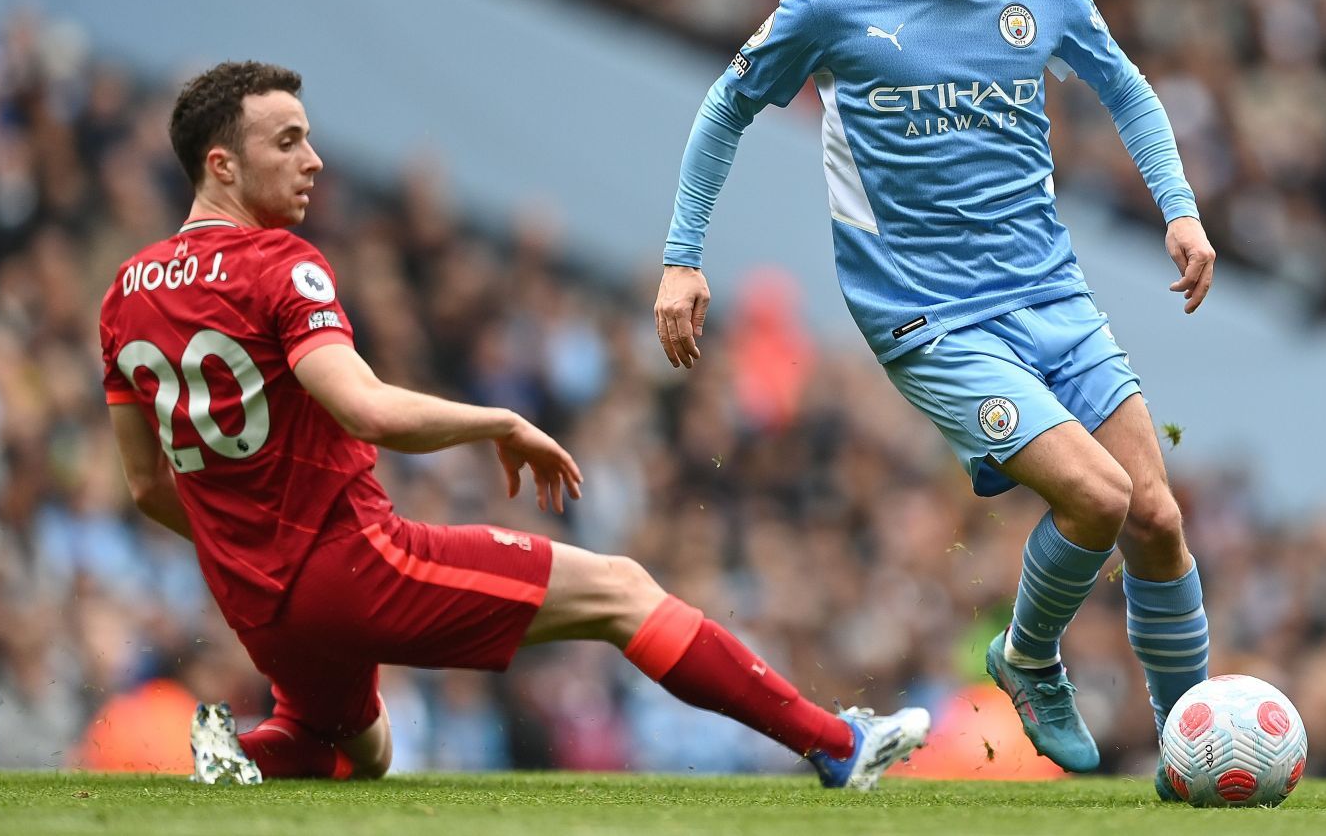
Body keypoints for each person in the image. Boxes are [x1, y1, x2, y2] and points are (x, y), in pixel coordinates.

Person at [99, 61, 928, 788]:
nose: (313, 159)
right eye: (286, 142)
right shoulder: (282, 264)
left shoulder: (123, 295)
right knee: (621, 591)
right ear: (221, 164)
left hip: (258, 604)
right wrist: (496, 419)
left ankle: (249, 751)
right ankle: (838, 743)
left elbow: (146, 488)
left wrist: (250, 553)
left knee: (361, 748)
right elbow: (365, 407)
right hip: (351, 565)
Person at [655, 0, 1215, 798]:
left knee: (1159, 519)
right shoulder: (832, 4)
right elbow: (726, 105)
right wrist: (682, 257)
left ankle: (1196, 748)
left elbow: (1127, 87)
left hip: (1051, 295)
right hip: (928, 315)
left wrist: (1177, 206)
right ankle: (1027, 658)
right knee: (1098, 496)